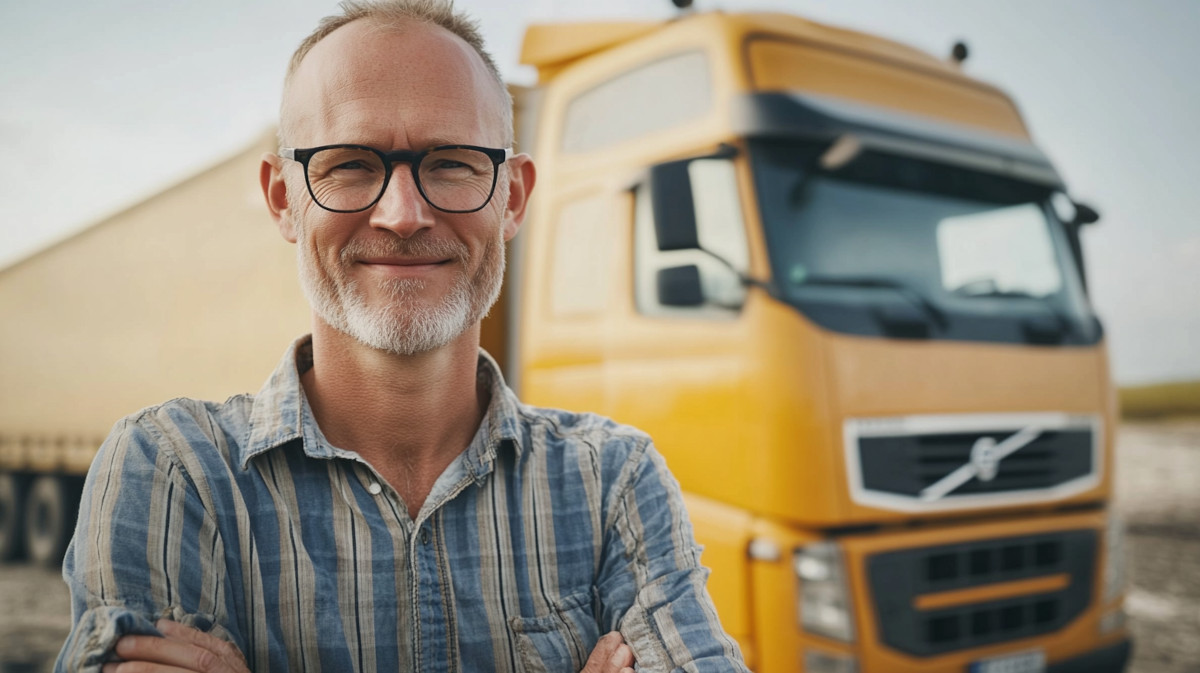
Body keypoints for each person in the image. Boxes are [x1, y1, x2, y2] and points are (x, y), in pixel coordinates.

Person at [55, 1, 748, 672]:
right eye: (350, 164)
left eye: (451, 162)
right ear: (282, 199)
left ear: (511, 196)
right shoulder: (175, 470)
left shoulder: (613, 482)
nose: (404, 214)